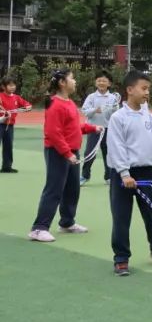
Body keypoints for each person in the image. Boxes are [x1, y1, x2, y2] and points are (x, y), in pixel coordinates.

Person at [106, 71, 152, 276]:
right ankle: (121, 258)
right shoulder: (118, 118)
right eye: (144, 88)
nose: (147, 93)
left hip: (146, 171)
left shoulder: (149, 116)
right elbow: (116, 147)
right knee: (121, 217)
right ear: (130, 90)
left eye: (148, 89)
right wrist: (124, 173)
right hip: (123, 175)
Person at [29, 70, 101, 243]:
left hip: (70, 152)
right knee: (54, 189)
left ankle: (67, 222)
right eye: (72, 78)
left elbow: (74, 127)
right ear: (62, 82)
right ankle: (39, 228)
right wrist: (67, 153)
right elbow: (53, 133)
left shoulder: (68, 103)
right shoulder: (55, 105)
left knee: (72, 189)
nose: (74, 81)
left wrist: (92, 128)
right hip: (58, 153)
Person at [80, 71, 120, 185]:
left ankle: (109, 177)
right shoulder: (91, 97)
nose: (101, 83)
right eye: (99, 80)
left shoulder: (113, 98)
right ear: (95, 82)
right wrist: (94, 110)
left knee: (108, 153)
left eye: (104, 81)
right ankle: (84, 176)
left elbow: (116, 114)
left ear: (109, 84)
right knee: (89, 153)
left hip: (108, 130)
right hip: (93, 129)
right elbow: (84, 111)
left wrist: (114, 109)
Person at [0, 77, 32, 173]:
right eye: (10, 85)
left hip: (10, 126)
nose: (13, 87)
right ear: (3, 86)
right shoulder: (0, 96)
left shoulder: (16, 97)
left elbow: (27, 105)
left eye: (14, 85)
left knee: (8, 146)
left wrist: (28, 107)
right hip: (0, 124)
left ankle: (7, 167)